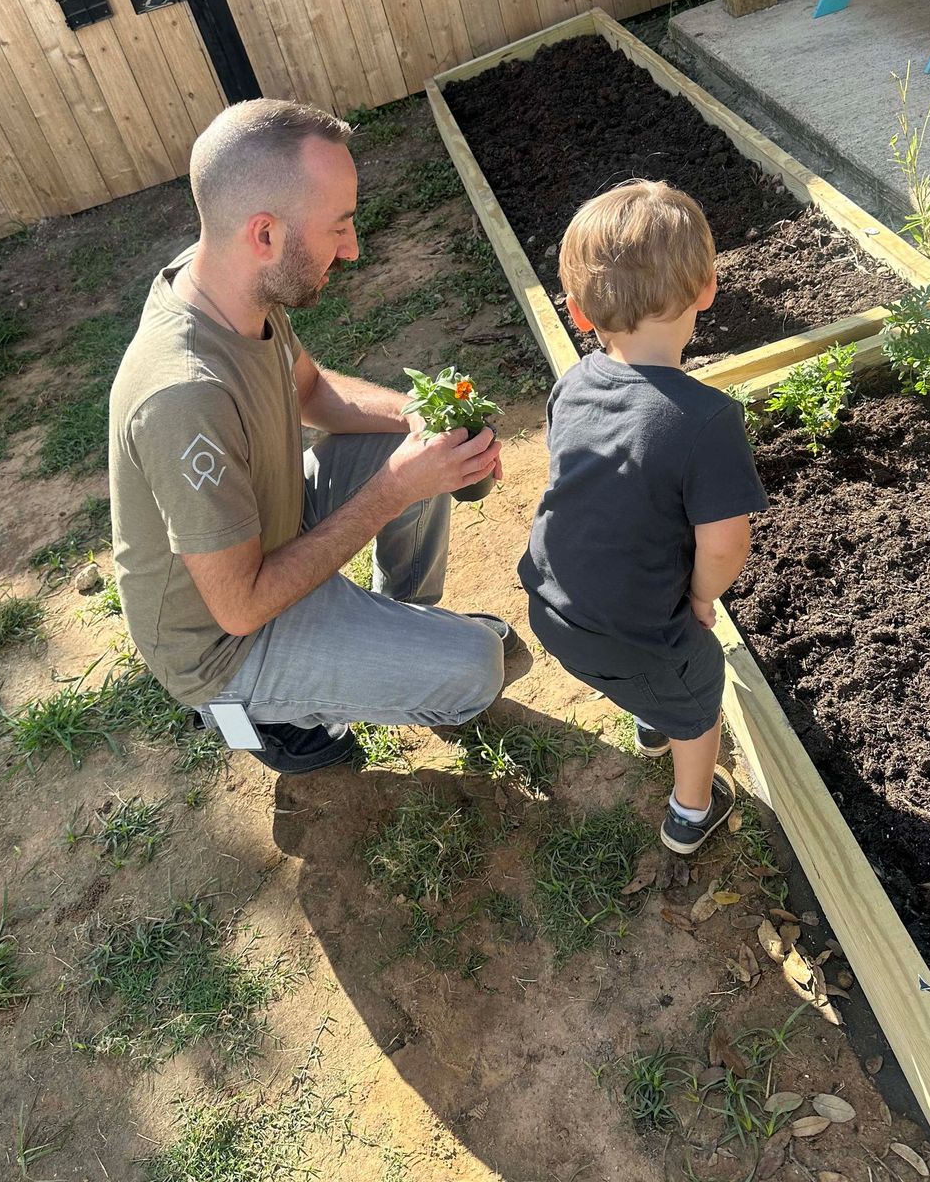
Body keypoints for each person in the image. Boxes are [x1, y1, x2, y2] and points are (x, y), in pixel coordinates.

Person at [108, 99, 516, 775]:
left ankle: (397, 628)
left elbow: (309, 391)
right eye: (339, 228)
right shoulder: (182, 395)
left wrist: (421, 419)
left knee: (400, 446)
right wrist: (394, 490)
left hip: (274, 526)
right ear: (264, 234)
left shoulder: (228, 279)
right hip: (226, 642)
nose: (353, 249)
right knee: (477, 669)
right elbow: (240, 606)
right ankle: (263, 715)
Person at [518, 179, 768, 855]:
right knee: (699, 681)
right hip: (627, 635)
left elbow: (591, 492)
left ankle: (648, 718)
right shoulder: (706, 418)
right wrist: (699, 595)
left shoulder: (573, 383)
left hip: (549, 607)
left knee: (646, 671)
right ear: (709, 287)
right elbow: (726, 540)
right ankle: (692, 807)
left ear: (575, 310)